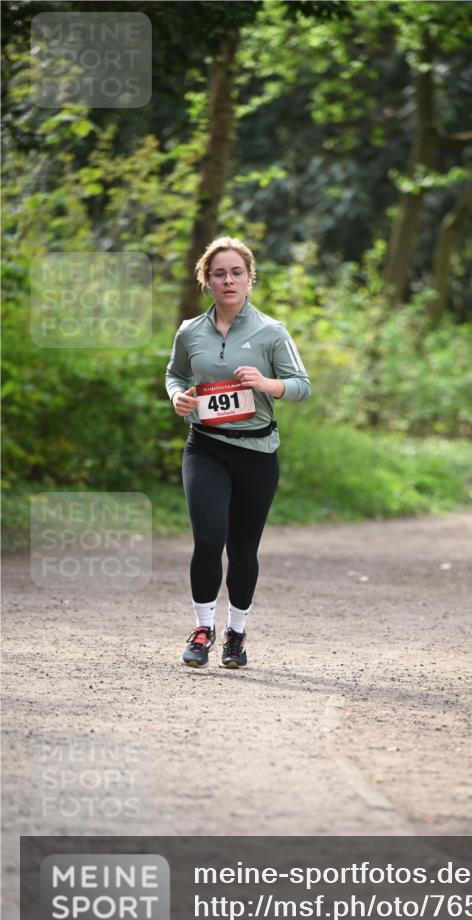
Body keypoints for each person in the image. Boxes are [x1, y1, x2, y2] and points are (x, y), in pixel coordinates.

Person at [166, 236, 312, 668]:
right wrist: (178, 397)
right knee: (208, 538)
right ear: (206, 281)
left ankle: (237, 635)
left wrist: (267, 385)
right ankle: (202, 628)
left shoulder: (272, 332)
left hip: (257, 453)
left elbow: (302, 386)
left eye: (236, 273)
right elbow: (175, 374)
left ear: (249, 279)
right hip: (206, 448)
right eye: (219, 274)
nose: (228, 280)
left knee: (243, 549)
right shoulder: (190, 331)